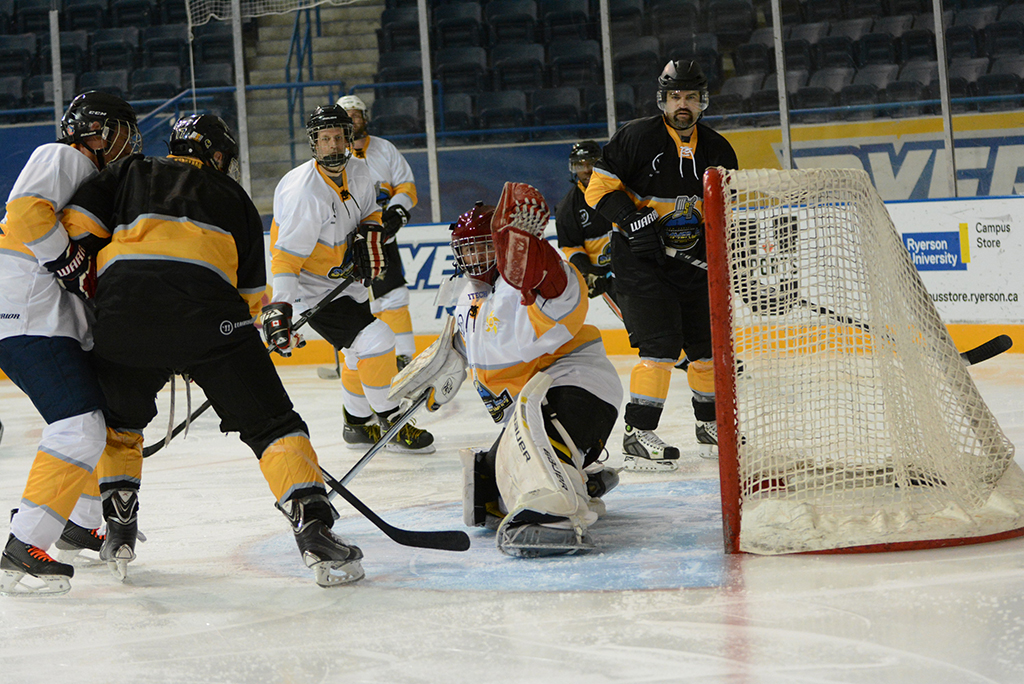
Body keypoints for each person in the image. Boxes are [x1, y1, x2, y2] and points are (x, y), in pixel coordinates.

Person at [56, 114, 364, 588]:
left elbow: (75, 229)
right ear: (217, 155)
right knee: (273, 424)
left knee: (119, 425)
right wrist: (208, 345)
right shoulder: (233, 196)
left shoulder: (128, 171)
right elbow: (250, 297)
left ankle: (118, 520)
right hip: (211, 324)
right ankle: (313, 526)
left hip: (123, 320)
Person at [390, 186, 622, 557]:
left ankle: (554, 514)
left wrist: (534, 250)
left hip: (577, 389)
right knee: (487, 486)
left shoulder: (528, 285)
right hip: (526, 413)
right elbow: (471, 341)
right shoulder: (466, 297)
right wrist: (449, 360)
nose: (476, 258)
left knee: (537, 452)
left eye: (485, 247)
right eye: (468, 250)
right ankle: (582, 481)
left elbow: (559, 289)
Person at [0, 92, 140, 596]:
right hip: (25, 311)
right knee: (78, 427)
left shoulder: (91, 178)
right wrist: (69, 261)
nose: (127, 142)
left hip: (39, 314)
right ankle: (24, 543)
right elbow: (25, 212)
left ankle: (76, 524)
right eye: (119, 130)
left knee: (92, 423)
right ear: (93, 132)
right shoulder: (64, 156)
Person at [585, 60, 738, 469]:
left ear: (702, 101)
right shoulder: (636, 137)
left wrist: (726, 254)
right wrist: (631, 220)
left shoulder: (718, 149)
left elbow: (726, 209)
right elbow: (597, 191)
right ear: (663, 100)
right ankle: (637, 434)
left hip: (693, 264)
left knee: (706, 349)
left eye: (690, 97)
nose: (682, 104)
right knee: (661, 348)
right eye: (675, 97)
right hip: (642, 264)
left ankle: (710, 426)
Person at [270, 104, 434, 454]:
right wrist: (281, 305)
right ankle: (392, 422)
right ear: (314, 143)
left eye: (338, 137)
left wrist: (370, 233)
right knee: (376, 339)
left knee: (357, 353)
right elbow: (285, 257)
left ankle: (357, 425)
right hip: (311, 288)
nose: (332, 144)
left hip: (346, 281)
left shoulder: (359, 170)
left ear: (348, 138)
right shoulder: (304, 193)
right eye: (325, 138)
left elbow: (370, 211)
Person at [336, 94, 418, 370]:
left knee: (393, 294)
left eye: (356, 115)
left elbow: (406, 186)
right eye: (346, 116)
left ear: (365, 118)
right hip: (347, 241)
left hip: (382, 236)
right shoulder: (335, 157)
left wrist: (396, 211)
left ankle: (403, 357)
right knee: (353, 300)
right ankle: (358, 359)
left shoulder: (385, 149)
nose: (352, 120)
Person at [554, 140, 620, 319]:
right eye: (579, 165)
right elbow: (571, 246)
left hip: (636, 265)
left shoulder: (619, 187)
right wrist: (588, 273)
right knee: (636, 323)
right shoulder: (567, 208)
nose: (586, 170)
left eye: (591, 163)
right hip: (606, 278)